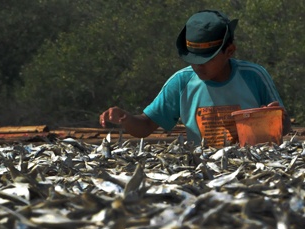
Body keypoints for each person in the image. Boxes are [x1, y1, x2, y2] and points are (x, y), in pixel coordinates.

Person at [99, 9, 291, 147]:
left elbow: (284, 127)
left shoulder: (254, 76)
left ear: (229, 51)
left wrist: (276, 118)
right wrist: (126, 119)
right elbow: (147, 125)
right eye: (192, 59)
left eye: (207, 59)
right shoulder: (181, 82)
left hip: (252, 165)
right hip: (203, 170)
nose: (198, 65)